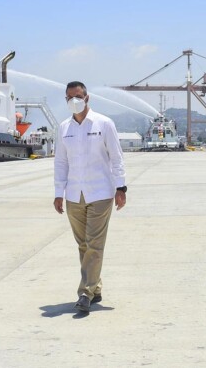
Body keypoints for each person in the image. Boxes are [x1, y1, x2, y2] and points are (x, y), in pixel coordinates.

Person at [53, 81, 127, 314]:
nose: (73, 101)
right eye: (69, 97)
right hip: (74, 194)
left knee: (94, 243)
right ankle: (96, 288)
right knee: (83, 244)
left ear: (87, 98)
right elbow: (60, 162)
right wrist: (58, 193)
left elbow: (116, 157)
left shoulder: (104, 124)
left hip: (101, 193)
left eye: (77, 96)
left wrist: (121, 187)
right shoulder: (64, 128)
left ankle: (85, 292)